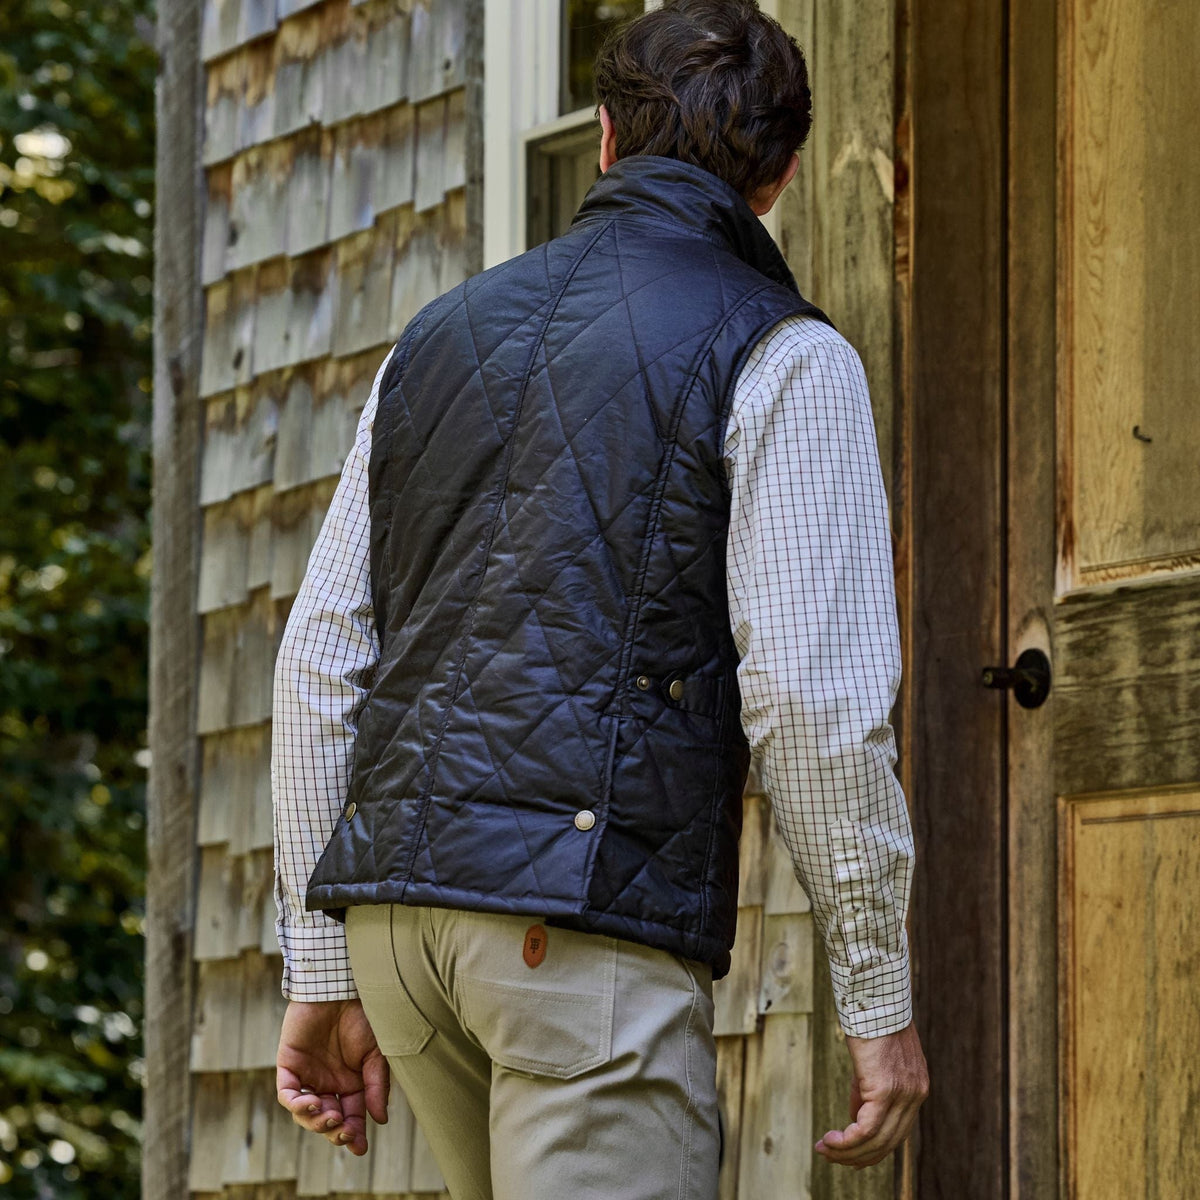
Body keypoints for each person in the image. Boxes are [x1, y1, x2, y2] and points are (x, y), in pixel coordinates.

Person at [271, 2, 928, 1196]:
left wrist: (321, 961)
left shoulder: (436, 337)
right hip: (573, 943)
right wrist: (877, 998)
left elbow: (320, 657)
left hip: (401, 933)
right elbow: (809, 698)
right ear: (777, 180)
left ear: (608, 143)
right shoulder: (783, 353)